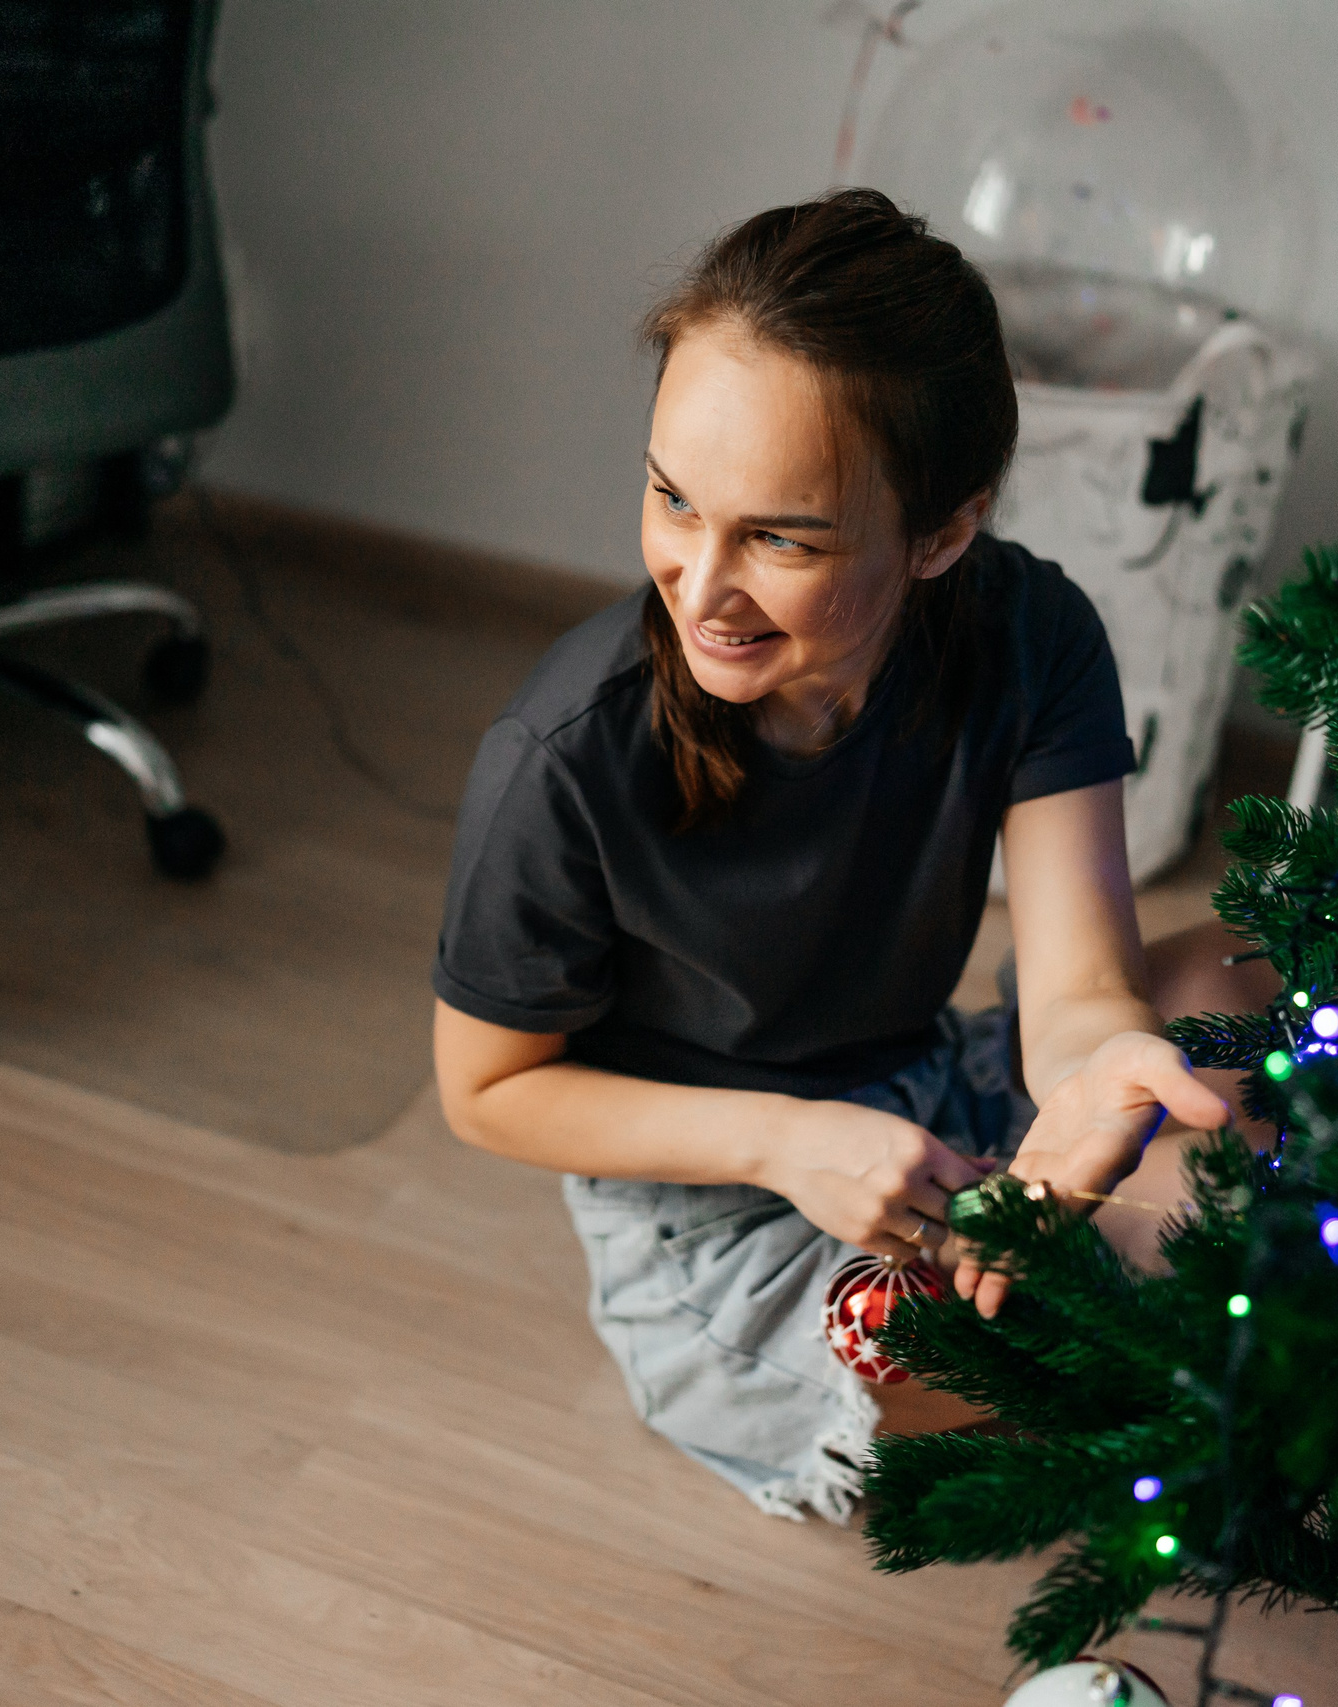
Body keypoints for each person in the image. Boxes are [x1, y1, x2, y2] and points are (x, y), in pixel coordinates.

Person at [430, 189, 1274, 1523]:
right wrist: (785, 1143)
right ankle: (1159, 1306)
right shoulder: (564, 751)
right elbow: (486, 1091)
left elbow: (1073, 991)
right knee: (967, 1336)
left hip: (925, 1090)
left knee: (1245, 977)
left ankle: (1149, 1282)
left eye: (780, 537)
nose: (700, 585)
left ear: (942, 534)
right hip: (710, 1199)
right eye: (673, 501)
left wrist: (1097, 1075)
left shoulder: (1030, 632)